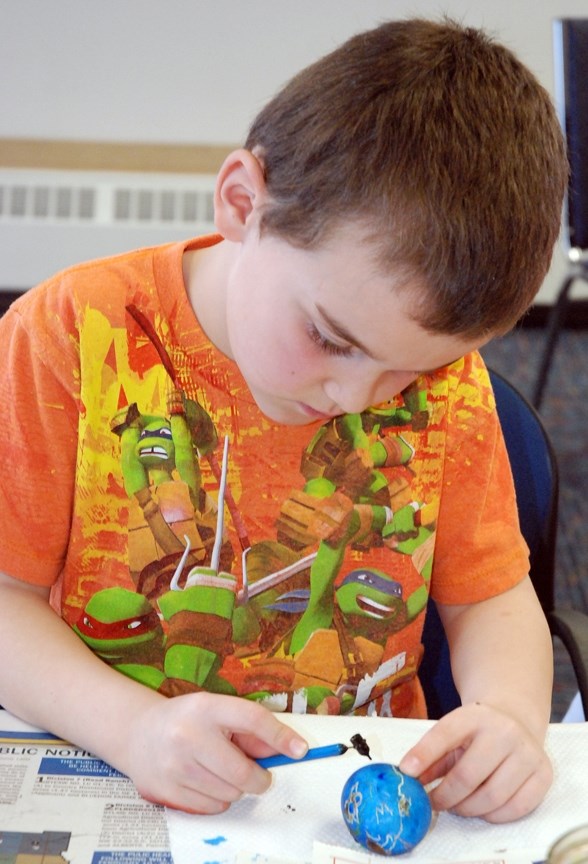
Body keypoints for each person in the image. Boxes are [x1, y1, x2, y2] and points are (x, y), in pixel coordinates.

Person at [0, 17, 568, 824]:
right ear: (242, 202)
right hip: (114, 762)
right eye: (330, 339)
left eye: (413, 370)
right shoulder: (69, 335)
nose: (358, 396)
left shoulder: (451, 388)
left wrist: (511, 719)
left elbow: (490, 599)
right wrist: (133, 728)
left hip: (348, 791)